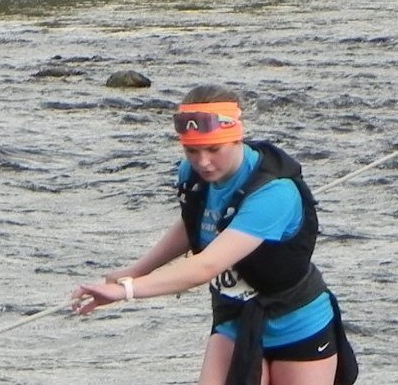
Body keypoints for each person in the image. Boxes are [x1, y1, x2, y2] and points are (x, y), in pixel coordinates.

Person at [69, 84, 358, 385]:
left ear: (237, 138)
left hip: (296, 324)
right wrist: (137, 270)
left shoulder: (275, 194)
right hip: (234, 315)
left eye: (214, 149)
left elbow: (206, 266)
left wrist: (127, 291)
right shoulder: (192, 174)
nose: (203, 162)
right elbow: (195, 222)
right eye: (192, 151)